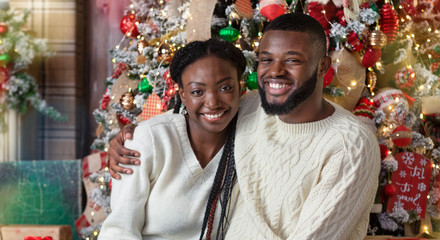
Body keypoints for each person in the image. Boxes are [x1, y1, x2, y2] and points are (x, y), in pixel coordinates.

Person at [109, 13, 381, 239]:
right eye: (266, 59)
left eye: (292, 60)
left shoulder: (350, 144)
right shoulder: (252, 107)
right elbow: (201, 109)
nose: (275, 71)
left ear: (323, 66)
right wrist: (129, 138)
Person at [99, 39, 246, 240]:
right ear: (183, 95)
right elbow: (119, 231)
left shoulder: (250, 136)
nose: (212, 102)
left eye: (225, 88)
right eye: (197, 92)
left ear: (241, 87)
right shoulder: (149, 140)